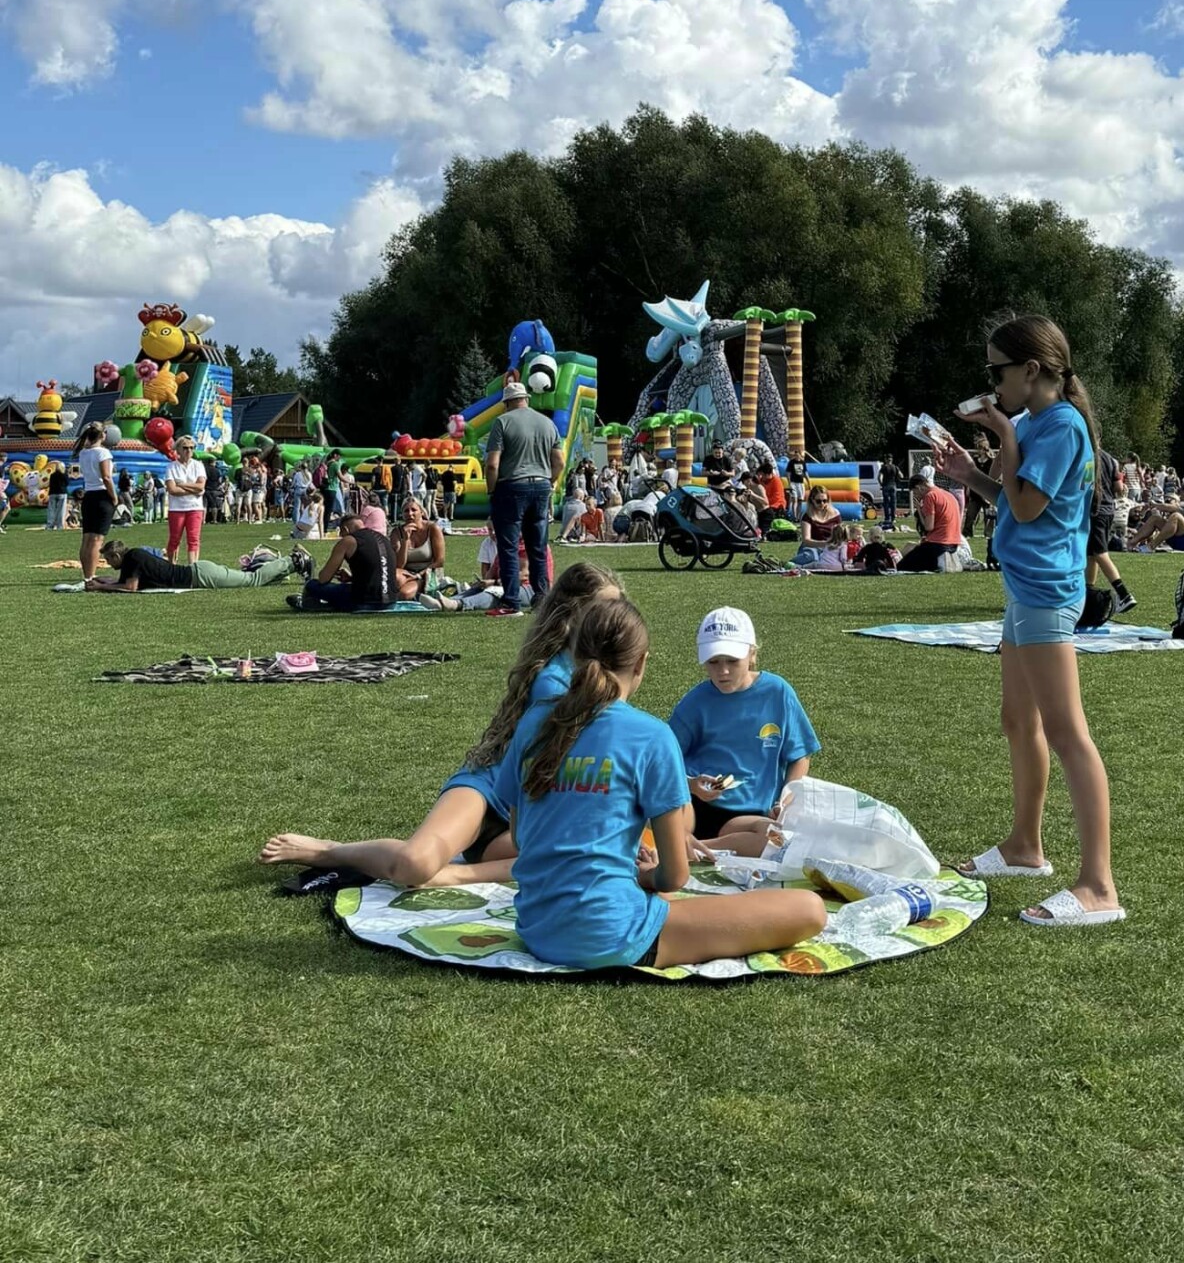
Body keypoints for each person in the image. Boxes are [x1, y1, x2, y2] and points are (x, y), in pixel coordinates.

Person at [492, 596, 827, 971]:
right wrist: (646, 876)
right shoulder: (650, 735)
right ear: (641, 663)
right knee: (809, 908)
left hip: (537, 928)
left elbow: (522, 839)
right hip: (608, 935)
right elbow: (675, 875)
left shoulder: (534, 722)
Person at [260, 563, 625, 884]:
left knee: (581, 860)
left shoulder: (609, 670)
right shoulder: (556, 676)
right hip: (490, 790)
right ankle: (331, 851)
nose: (616, 620)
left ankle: (456, 874)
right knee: (413, 864)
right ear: (574, 615)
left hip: (530, 815)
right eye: (605, 610)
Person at [934, 315, 1123, 928]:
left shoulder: (1059, 426)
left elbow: (1027, 502)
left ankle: (1098, 886)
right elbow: (1019, 506)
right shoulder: (1040, 422)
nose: (992, 384)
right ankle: (1024, 848)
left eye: (998, 372)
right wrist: (972, 476)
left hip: (1046, 590)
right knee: (1018, 720)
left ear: (1032, 371)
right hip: (1026, 587)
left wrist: (1003, 437)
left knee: (1068, 733)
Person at [668, 607, 819, 858]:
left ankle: (696, 849)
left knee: (776, 837)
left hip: (752, 814)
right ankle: (690, 843)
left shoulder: (778, 692)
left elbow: (800, 755)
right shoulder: (696, 702)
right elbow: (663, 760)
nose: (723, 671)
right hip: (698, 808)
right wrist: (691, 785)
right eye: (713, 662)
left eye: (732, 661)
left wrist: (786, 800)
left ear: (752, 654)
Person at [485, 381, 564, 618]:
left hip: (511, 486)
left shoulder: (502, 422)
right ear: (526, 399)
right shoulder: (548, 423)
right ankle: (542, 601)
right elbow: (559, 460)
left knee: (508, 547)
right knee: (537, 547)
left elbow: (492, 464)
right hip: (540, 486)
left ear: (508, 402)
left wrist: (491, 491)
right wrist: (551, 481)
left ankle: (511, 603)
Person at [87, 538, 302, 593]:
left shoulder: (133, 557)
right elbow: (124, 581)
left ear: (116, 555)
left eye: (108, 559)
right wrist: (106, 581)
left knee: (251, 580)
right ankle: (285, 566)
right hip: (199, 572)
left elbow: (130, 587)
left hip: (201, 576)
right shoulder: (132, 557)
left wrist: (100, 587)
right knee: (250, 580)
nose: (108, 564)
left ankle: (293, 560)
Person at [296, 511, 400, 612]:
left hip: (363, 601)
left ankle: (316, 605)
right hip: (390, 601)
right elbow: (379, 573)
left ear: (345, 530)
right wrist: (351, 578)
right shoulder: (383, 539)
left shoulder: (349, 541)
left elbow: (323, 579)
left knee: (312, 585)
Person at [1085, 444, 1135, 615]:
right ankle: (1088, 594)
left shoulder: (1088, 456)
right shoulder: (1111, 459)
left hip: (1094, 510)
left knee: (1099, 553)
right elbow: (1119, 488)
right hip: (1108, 510)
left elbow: (1085, 484)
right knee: (1091, 554)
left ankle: (1124, 594)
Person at [74, 424, 118, 585]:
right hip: (102, 495)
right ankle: (91, 577)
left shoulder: (84, 453)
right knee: (97, 539)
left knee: (86, 539)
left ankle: (87, 575)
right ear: (103, 435)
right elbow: (106, 477)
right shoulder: (103, 452)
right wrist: (114, 497)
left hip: (89, 495)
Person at [896, 476, 964, 571]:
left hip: (938, 544)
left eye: (915, 492)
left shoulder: (930, 496)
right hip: (954, 543)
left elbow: (928, 527)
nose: (916, 496)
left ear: (919, 487)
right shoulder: (948, 495)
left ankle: (939, 563)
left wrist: (919, 510)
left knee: (902, 566)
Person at [1133, 481, 1184, 553]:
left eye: (1181, 492)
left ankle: (1151, 546)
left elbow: (1171, 508)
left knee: (1176, 516)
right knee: (1155, 519)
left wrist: (1154, 505)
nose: (1180, 495)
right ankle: (1131, 543)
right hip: (1182, 540)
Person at [164, 436, 207, 562]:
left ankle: (193, 568)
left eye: (191, 448)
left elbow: (201, 486)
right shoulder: (171, 467)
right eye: (185, 448)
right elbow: (172, 490)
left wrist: (181, 484)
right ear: (178, 449)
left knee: (194, 539)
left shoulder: (198, 465)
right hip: (177, 508)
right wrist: (193, 488)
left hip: (195, 508)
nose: (188, 450)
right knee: (174, 539)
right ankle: (171, 566)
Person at [394, 498, 446, 591]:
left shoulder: (433, 529)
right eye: (406, 511)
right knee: (395, 579)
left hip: (428, 572)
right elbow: (399, 565)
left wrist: (418, 575)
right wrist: (405, 540)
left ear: (422, 512)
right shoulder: (396, 532)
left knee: (405, 593)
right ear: (402, 514)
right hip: (407, 572)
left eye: (414, 510)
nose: (410, 514)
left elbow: (439, 561)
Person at [792, 485, 847, 570]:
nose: (822, 504)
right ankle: (791, 564)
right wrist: (825, 544)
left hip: (831, 549)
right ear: (812, 500)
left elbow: (841, 534)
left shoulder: (835, 514)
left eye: (824, 501)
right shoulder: (807, 516)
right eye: (818, 501)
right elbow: (806, 540)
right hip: (812, 548)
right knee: (812, 556)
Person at [45, 458, 69, 530]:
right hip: (62, 492)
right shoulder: (64, 475)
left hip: (52, 493)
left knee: (51, 509)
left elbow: (50, 484)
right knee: (61, 510)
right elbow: (67, 483)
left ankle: (50, 525)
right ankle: (60, 525)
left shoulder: (52, 475)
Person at [878, 455, 900, 530]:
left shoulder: (884, 467)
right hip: (893, 486)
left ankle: (887, 518)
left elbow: (879, 477)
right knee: (893, 503)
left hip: (886, 486)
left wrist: (881, 484)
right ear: (892, 459)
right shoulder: (895, 467)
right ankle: (893, 518)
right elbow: (901, 475)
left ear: (886, 459)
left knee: (886, 503)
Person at [785, 449, 808, 522]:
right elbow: (788, 473)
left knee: (800, 500)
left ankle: (798, 516)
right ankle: (794, 516)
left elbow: (805, 473)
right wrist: (789, 483)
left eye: (798, 454)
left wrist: (808, 482)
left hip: (800, 483)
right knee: (794, 500)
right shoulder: (791, 462)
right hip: (793, 482)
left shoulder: (803, 462)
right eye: (795, 454)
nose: (796, 455)